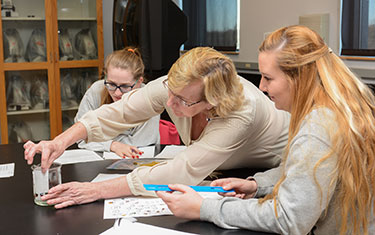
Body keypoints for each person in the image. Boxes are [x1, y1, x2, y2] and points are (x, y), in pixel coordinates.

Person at [157, 26, 375, 235]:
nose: (261, 86)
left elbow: (289, 219)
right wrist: (257, 185)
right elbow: (309, 172)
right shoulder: (336, 109)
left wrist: (204, 209)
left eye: (268, 78)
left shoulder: (318, 129)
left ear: (300, 77)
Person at [23, 47, 290, 209]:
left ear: (212, 102)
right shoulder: (181, 85)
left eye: (182, 101)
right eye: (169, 93)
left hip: (268, 168)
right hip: (223, 166)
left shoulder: (242, 111)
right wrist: (59, 142)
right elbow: (120, 111)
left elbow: (182, 170)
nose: (169, 104)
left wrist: (94, 190)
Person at [74, 47, 160, 158]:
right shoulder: (96, 90)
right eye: (112, 84)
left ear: (139, 82)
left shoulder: (149, 98)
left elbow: (140, 144)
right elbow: (80, 136)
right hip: (98, 159)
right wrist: (113, 145)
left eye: (125, 86)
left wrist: (99, 139)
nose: (117, 93)